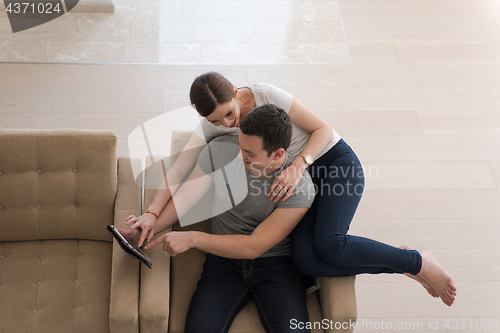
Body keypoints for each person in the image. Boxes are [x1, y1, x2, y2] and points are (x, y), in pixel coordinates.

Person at [126, 71, 457, 307]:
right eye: (217, 122)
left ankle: (414, 261)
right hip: (301, 185)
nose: (228, 124)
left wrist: (298, 165)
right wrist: (153, 213)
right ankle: (403, 260)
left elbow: (323, 129)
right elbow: (180, 171)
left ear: (236, 92)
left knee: (329, 245)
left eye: (229, 113)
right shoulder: (211, 125)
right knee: (306, 261)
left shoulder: (267, 94)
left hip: (332, 163)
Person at [122, 105, 316, 333]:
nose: (240, 155)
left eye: (250, 154)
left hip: (277, 265)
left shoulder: (301, 189)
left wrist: (192, 238)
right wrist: (149, 225)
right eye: (241, 146)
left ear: (278, 154)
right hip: (223, 262)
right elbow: (185, 200)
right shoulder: (221, 150)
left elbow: (254, 246)